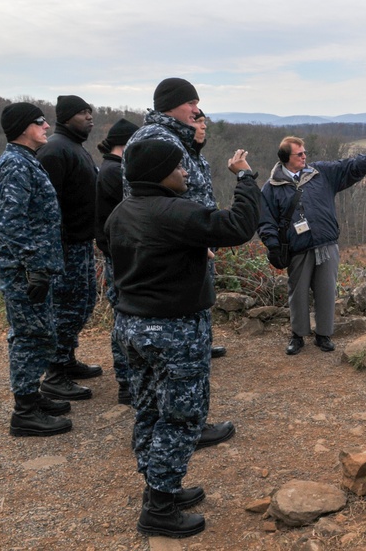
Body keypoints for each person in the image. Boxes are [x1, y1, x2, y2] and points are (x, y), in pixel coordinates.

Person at [106, 139, 260, 538]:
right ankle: (159, 508)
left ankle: (159, 488)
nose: (185, 172)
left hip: (131, 327)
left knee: (149, 409)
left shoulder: (122, 212)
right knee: (182, 416)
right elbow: (239, 226)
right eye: (178, 167)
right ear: (160, 173)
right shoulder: (177, 212)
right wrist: (245, 178)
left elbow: (131, 253)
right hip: (173, 330)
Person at [124, 78, 236, 449]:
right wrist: (191, 238)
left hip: (189, 243)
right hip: (179, 254)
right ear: (171, 105)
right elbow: (146, 202)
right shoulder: (158, 139)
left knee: (188, 355)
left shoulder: (176, 137)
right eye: (191, 103)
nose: (197, 110)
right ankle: (186, 427)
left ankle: (185, 423)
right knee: (182, 357)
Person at [258, 137, 366, 354]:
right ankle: (298, 335)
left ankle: (324, 335)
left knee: (327, 291)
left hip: (326, 244)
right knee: (298, 292)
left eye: (305, 152)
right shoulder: (272, 187)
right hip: (298, 247)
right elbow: (265, 221)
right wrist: (273, 246)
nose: (305, 156)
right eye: (299, 154)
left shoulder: (320, 173)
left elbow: (346, 167)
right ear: (286, 158)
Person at [0, 102, 73, 436]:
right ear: (25, 128)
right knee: (30, 336)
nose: (47, 126)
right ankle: (24, 412)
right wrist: (34, 266)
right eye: (39, 121)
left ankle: (31, 396)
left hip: (31, 267)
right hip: (23, 269)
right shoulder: (15, 165)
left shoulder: (25, 161)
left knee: (39, 333)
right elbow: (9, 224)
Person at [35, 94, 100, 402]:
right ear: (65, 118)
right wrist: (52, 250)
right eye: (82, 113)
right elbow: (47, 206)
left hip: (81, 242)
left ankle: (67, 359)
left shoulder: (75, 148)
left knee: (83, 303)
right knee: (66, 308)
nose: (89, 117)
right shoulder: (55, 150)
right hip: (64, 247)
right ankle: (55, 374)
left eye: (90, 112)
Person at [94, 118, 140, 405]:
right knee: (124, 317)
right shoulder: (114, 172)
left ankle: (129, 380)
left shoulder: (111, 168)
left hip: (118, 252)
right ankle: (126, 382)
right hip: (119, 255)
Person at [193, 109, 226, 359]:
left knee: (205, 294)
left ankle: (203, 342)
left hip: (204, 239)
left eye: (205, 122)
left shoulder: (200, 160)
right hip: (189, 241)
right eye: (198, 122)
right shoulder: (177, 156)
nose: (204, 127)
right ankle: (193, 346)